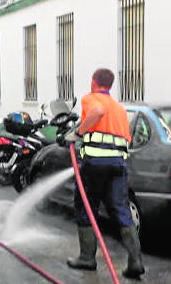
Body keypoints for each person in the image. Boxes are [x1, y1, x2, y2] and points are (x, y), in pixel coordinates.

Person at [64, 68, 145, 279]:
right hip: (118, 166)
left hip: (95, 164)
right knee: (121, 210)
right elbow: (126, 138)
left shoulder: (91, 99)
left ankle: (87, 258)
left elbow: (97, 112)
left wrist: (77, 133)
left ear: (93, 82)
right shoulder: (119, 109)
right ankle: (135, 261)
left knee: (85, 206)